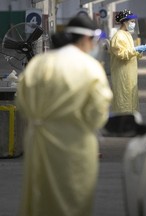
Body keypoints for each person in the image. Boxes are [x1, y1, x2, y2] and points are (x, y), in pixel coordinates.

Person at [16, 14, 113, 216]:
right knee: (72, 198)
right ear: (86, 39)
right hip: (74, 146)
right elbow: (97, 113)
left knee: (39, 198)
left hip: (37, 144)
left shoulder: (39, 64)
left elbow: (22, 103)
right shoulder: (90, 67)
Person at [110, 9, 146, 114]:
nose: (133, 24)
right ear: (124, 22)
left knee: (130, 98)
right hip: (122, 74)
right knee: (123, 99)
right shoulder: (118, 36)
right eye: (132, 22)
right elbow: (122, 54)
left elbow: (130, 53)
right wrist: (135, 50)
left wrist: (138, 51)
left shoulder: (127, 35)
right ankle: (122, 124)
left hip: (130, 74)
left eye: (134, 22)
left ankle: (130, 120)